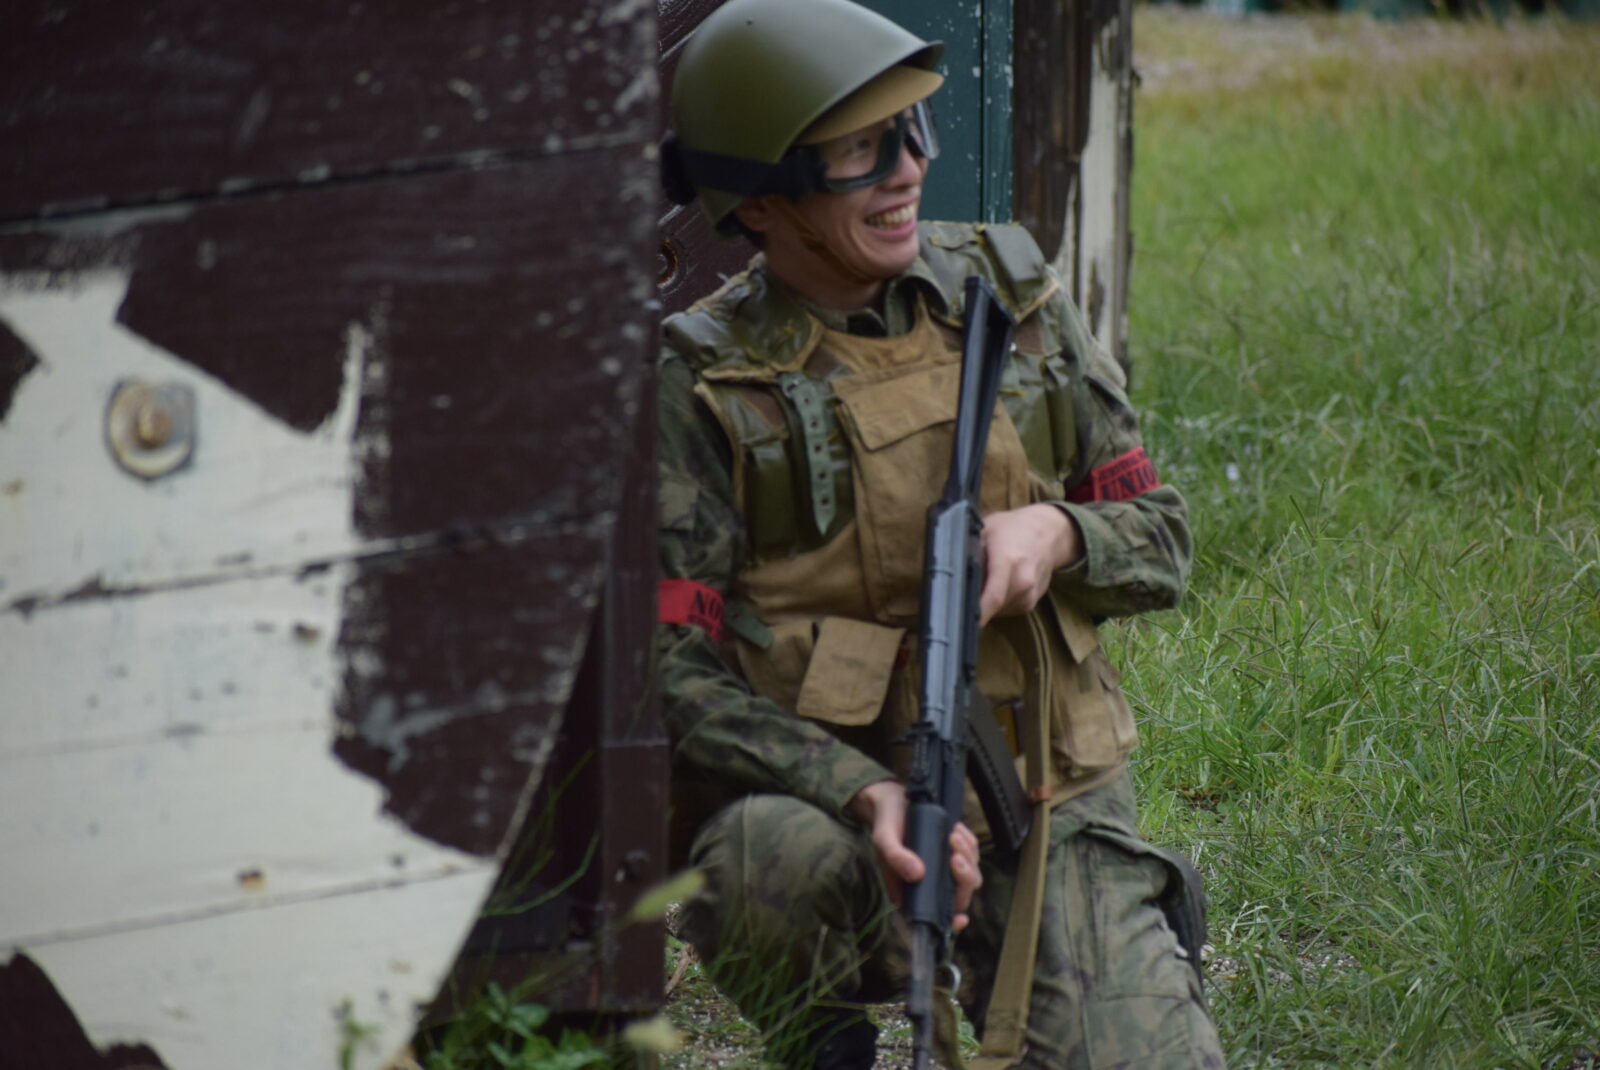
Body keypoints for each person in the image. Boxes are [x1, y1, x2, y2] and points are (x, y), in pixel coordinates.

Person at [653, 0, 1226, 1066]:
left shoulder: (1010, 297)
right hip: (850, 812)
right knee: (757, 860)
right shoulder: (707, 382)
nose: (908, 169)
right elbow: (671, 664)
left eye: (909, 132)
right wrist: (855, 789)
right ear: (761, 197)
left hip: (1044, 790)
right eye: (858, 152)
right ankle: (826, 1045)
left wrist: (1057, 534)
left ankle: (1115, 941)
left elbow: (1162, 538)